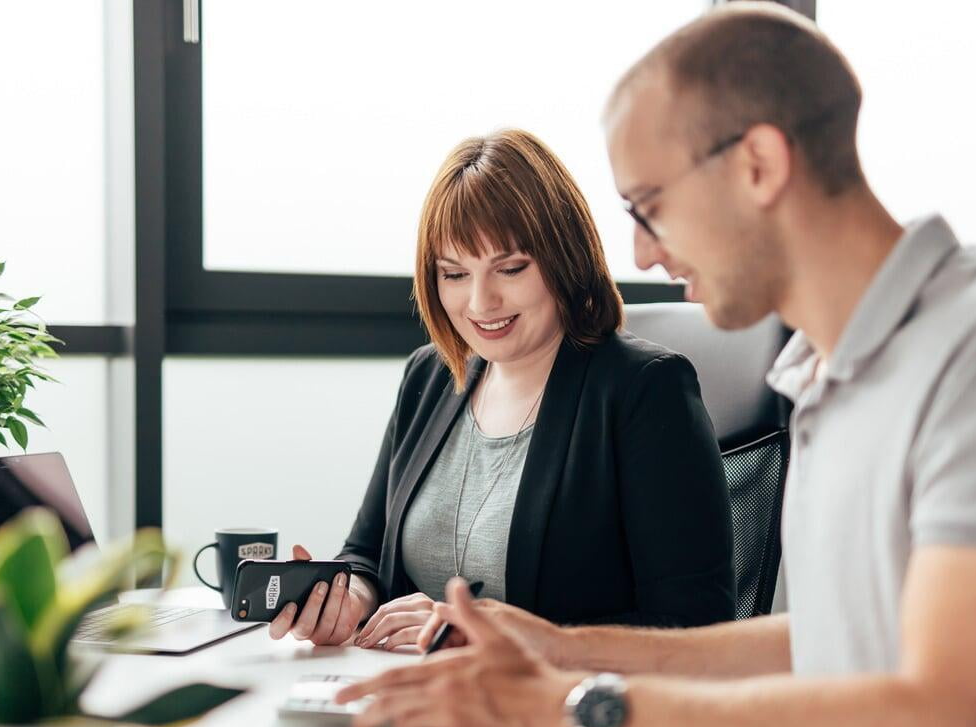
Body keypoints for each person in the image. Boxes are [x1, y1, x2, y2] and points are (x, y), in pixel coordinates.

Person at [336, 5, 976, 727]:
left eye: (650, 205)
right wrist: (558, 647)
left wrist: (573, 709)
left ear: (758, 165)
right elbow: (825, 643)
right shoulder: (822, 373)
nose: (640, 250)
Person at [268, 128, 734, 650]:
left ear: (565, 258)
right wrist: (348, 597)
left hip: (555, 714)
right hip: (412, 697)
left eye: (510, 268)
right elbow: (366, 553)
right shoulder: (429, 377)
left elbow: (695, 626)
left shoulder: (645, 392)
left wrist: (490, 638)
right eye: (454, 274)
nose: (481, 302)